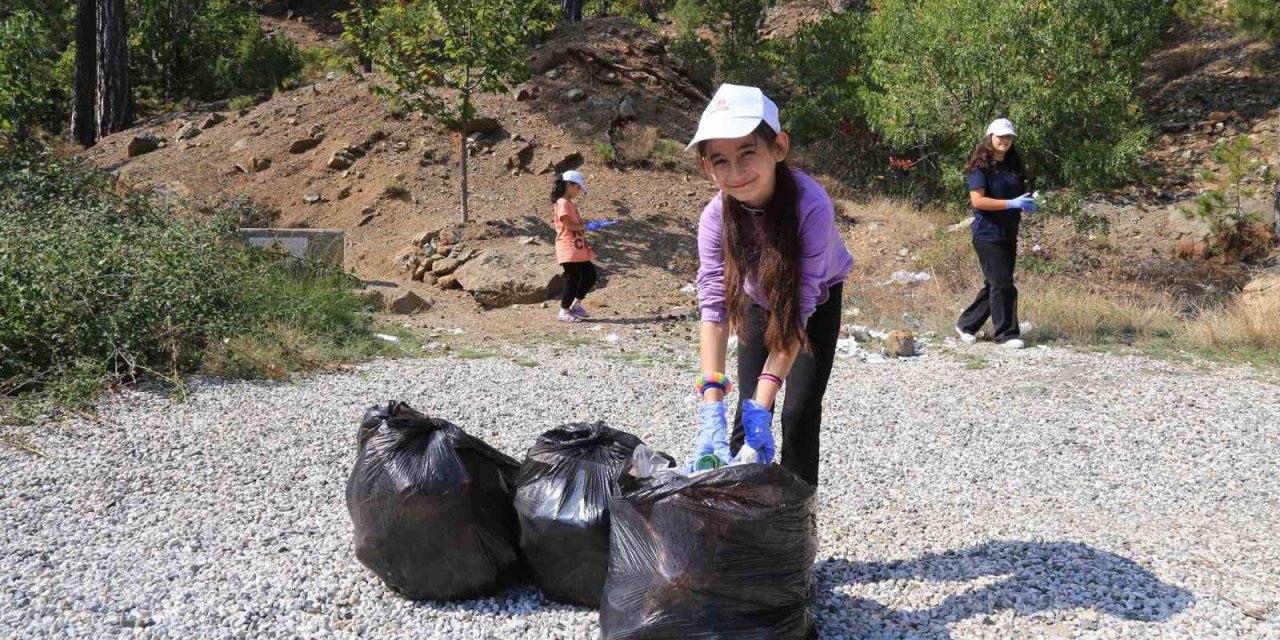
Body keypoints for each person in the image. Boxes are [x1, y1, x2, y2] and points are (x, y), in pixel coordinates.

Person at [689, 84, 854, 487]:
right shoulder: (715, 218)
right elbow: (713, 307)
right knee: (746, 417)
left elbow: (799, 305)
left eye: (748, 152)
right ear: (707, 168)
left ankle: (796, 529)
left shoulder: (811, 206)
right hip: (755, 303)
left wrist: (767, 401)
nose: (736, 172)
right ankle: (738, 526)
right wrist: (712, 405)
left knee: (796, 413)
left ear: (778, 147)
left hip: (812, 305)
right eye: (721, 161)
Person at [955, 118, 1037, 349]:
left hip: (1009, 232)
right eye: (1001, 136)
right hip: (986, 234)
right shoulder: (980, 167)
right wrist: (1011, 203)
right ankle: (1007, 334)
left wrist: (1028, 203)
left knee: (994, 284)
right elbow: (978, 201)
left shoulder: (1014, 167)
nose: (1005, 141)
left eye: (1009, 137)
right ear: (990, 137)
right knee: (1003, 284)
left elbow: (1020, 196)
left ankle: (966, 325)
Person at [551, 170, 597, 323]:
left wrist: (589, 226)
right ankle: (564, 311)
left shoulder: (570, 204)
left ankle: (575, 304)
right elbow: (569, 225)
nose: (578, 191)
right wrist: (588, 226)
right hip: (568, 247)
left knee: (589, 275)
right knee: (572, 279)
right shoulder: (562, 203)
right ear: (569, 185)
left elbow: (576, 226)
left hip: (578, 248)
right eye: (578, 188)